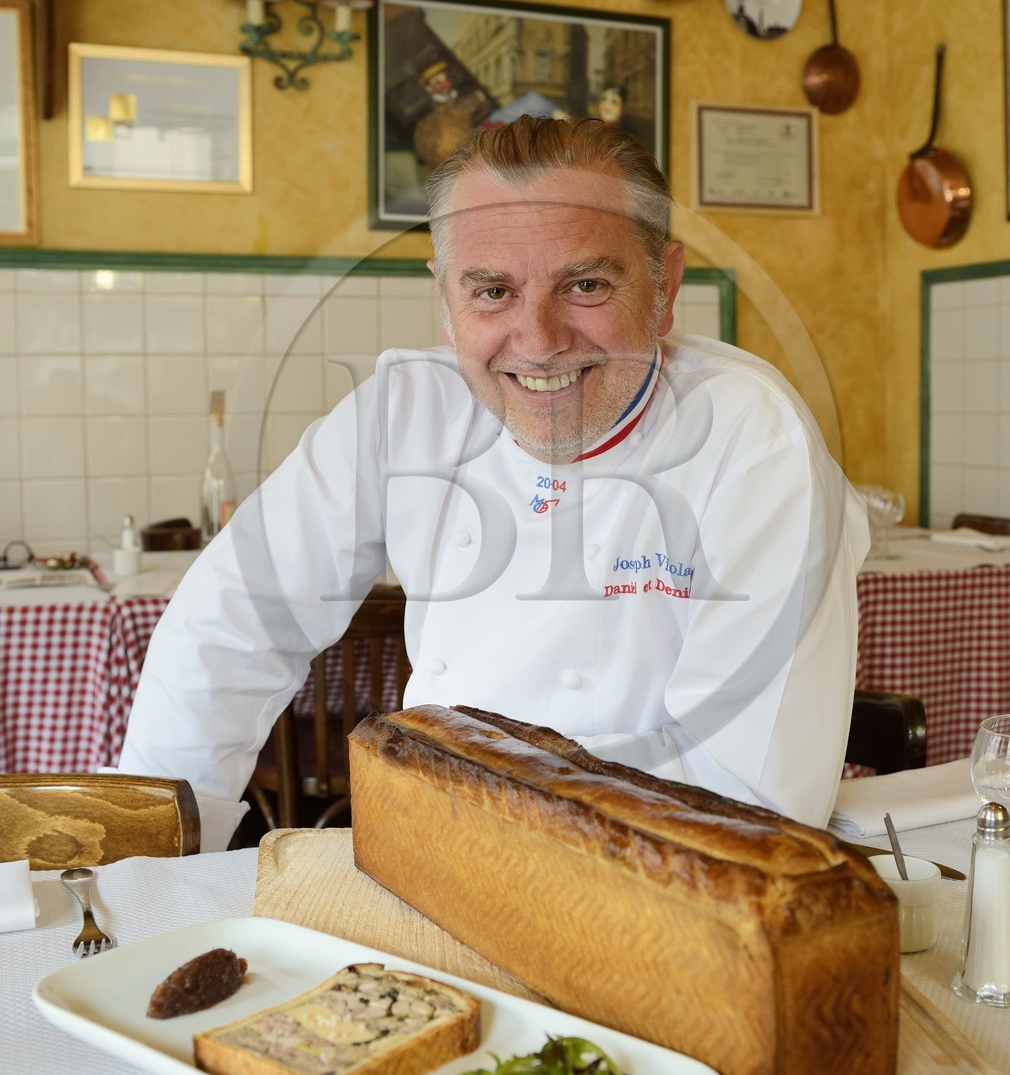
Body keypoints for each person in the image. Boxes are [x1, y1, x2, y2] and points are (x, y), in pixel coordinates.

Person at [118, 116, 868, 850]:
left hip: (653, 885)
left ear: (664, 285)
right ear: (445, 302)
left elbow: (752, 797)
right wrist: (146, 864)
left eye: (584, 284)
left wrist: (490, 835)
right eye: (492, 292)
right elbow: (230, 622)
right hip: (430, 851)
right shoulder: (405, 411)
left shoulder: (751, 440)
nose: (539, 343)